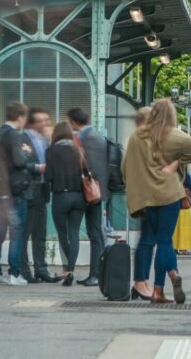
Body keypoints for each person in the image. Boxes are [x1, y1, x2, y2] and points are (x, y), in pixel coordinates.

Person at [123, 99, 191, 304]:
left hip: (146, 198)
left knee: (148, 239)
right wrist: (177, 163)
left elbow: (126, 167)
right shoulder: (174, 135)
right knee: (165, 242)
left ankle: (149, 281)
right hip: (169, 195)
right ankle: (160, 288)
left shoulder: (137, 136)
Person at [0, 101, 42, 287]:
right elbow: (18, 162)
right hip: (13, 191)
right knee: (16, 233)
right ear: (20, 117)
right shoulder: (15, 136)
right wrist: (27, 155)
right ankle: (14, 273)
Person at [44, 122, 90, 286]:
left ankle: (67, 270)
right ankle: (70, 270)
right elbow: (86, 172)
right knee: (74, 233)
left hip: (61, 197)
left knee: (63, 234)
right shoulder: (78, 150)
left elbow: (48, 177)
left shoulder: (51, 151)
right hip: (78, 197)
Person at [67, 108, 107, 287]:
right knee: (96, 231)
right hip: (97, 189)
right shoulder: (97, 135)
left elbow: (80, 163)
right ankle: (97, 273)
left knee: (93, 232)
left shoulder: (82, 138)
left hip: (87, 190)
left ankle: (95, 274)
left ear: (74, 122)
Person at [21, 108, 60, 284]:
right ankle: (23, 270)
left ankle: (41, 269)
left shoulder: (46, 139)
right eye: (41, 120)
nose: (46, 123)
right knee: (25, 232)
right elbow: (19, 163)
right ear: (32, 123)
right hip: (28, 189)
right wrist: (37, 167)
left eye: (47, 119)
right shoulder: (22, 138)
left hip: (43, 189)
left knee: (40, 232)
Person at [173, 172, 191, 256]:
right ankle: (183, 249)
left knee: (173, 228)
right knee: (184, 228)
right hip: (183, 205)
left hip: (171, 205)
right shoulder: (183, 174)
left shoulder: (167, 171)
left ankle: (173, 248)